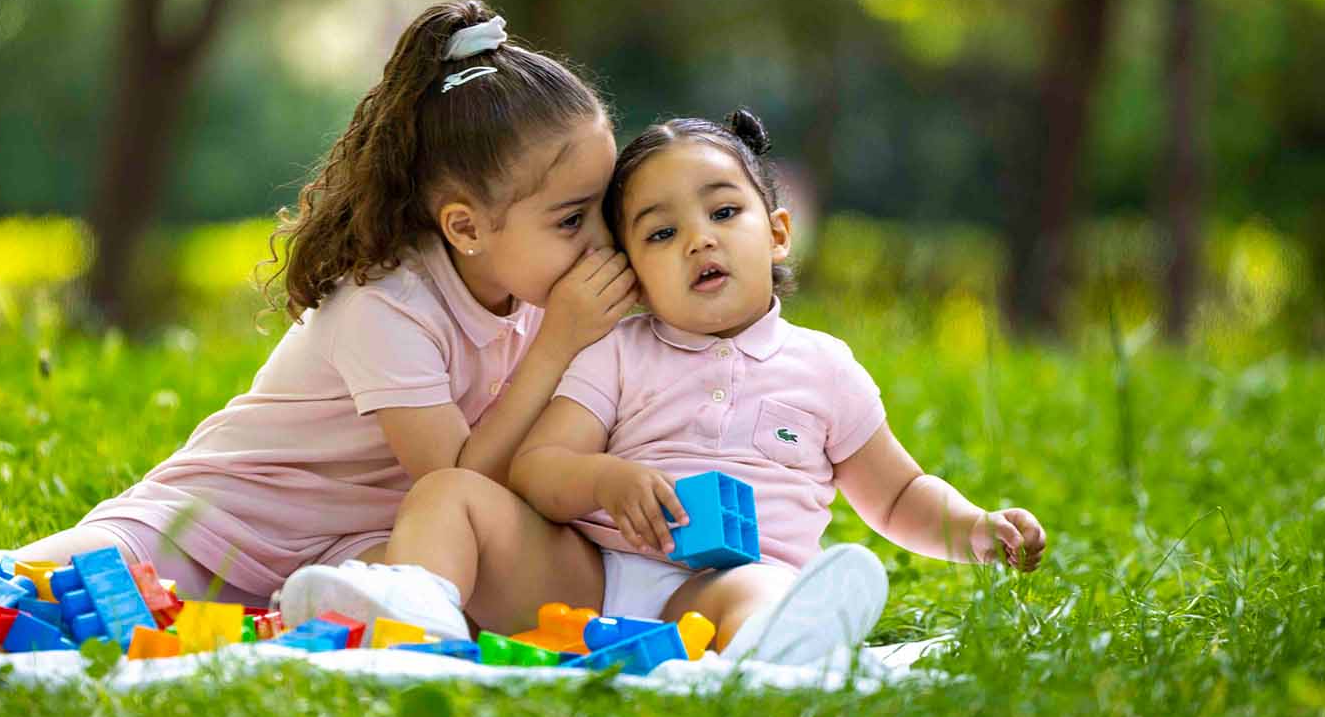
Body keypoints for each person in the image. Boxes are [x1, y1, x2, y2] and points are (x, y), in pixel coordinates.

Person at [282, 109, 1046, 665]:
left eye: (722, 212)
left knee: (763, 596)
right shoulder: (617, 352)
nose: (699, 239)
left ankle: (781, 651)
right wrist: (607, 481)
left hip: (718, 589)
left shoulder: (825, 367)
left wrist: (974, 531)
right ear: (633, 274)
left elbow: (900, 491)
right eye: (659, 233)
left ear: (776, 232)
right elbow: (538, 472)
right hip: (592, 581)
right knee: (447, 493)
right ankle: (414, 615)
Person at [0, 0, 637, 609]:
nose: (601, 241)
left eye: (603, 207)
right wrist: (559, 344)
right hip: (222, 523)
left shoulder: (534, 295)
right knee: (57, 588)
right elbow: (456, 474)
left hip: (347, 548)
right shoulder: (389, 302)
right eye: (571, 220)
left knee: (425, 596)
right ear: (465, 228)